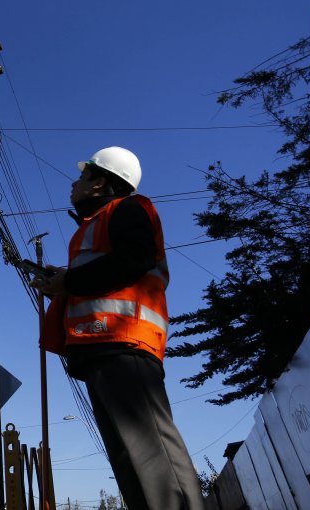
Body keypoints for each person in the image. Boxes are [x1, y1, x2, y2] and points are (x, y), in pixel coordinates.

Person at [31, 147, 204, 510]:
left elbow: (133, 260)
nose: (74, 184)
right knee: (131, 460)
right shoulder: (97, 223)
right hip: (101, 349)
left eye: (81, 176)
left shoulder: (128, 209)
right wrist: (64, 281)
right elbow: (105, 272)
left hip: (124, 345)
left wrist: (70, 281)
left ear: (100, 182)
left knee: (152, 454)